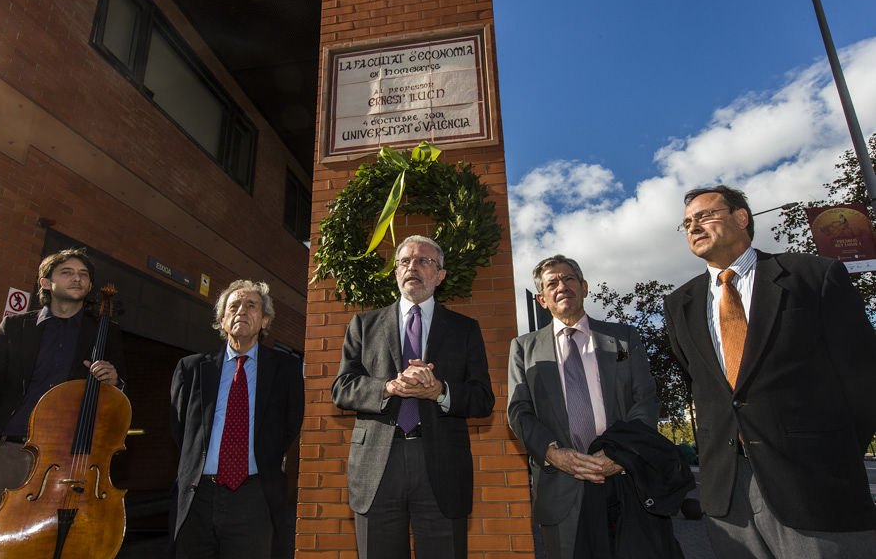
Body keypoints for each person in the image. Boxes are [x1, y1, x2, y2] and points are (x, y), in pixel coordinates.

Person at [664, 185, 876, 558]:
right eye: (686, 223)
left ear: (742, 217)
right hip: (728, 496)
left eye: (705, 216)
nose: (693, 226)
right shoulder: (680, 304)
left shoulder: (812, 275)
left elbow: (863, 379)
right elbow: (702, 386)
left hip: (815, 485)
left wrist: (829, 454)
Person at [332, 235, 494, 559]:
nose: (413, 267)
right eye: (405, 261)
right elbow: (342, 387)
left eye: (424, 261)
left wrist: (441, 391)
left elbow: (482, 398)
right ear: (395, 273)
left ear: (440, 275)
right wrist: (387, 388)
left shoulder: (465, 329)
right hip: (377, 466)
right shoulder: (363, 325)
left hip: (442, 467)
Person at [507, 255, 659, 559]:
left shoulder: (624, 339)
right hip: (562, 487)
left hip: (625, 479)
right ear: (542, 299)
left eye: (568, 279)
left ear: (584, 287)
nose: (561, 286)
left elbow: (645, 399)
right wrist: (552, 453)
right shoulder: (523, 349)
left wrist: (622, 454)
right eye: (552, 283)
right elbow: (518, 412)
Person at [0, 248, 122, 545]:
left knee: (44, 542)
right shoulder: (16, 327)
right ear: (45, 282)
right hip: (7, 451)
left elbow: (114, 402)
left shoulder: (104, 333)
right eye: (67, 272)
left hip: (66, 460)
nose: (77, 279)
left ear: (90, 287)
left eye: (83, 275)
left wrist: (115, 381)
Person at [170, 280, 304, 559]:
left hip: (254, 497)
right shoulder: (192, 368)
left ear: (265, 320)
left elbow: (290, 425)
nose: (241, 311)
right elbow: (180, 427)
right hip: (198, 497)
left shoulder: (286, 369)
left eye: (251, 305)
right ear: (222, 319)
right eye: (234, 306)